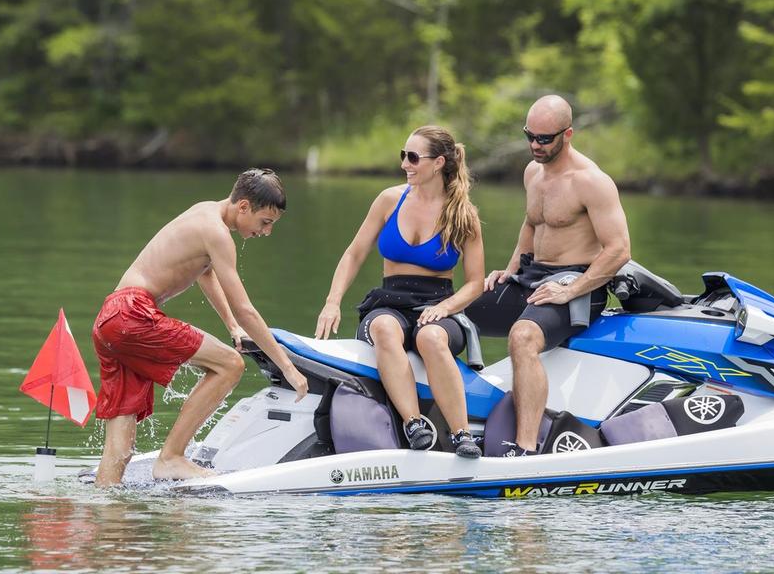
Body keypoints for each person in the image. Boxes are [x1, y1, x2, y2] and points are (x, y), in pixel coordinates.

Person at [91, 168, 308, 487]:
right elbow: (246, 309)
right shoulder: (218, 233)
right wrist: (287, 367)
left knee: (120, 450)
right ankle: (171, 458)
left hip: (111, 318)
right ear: (244, 206)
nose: (266, 232)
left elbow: (204, 273)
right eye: (265, 222)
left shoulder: (204, 211)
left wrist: (231, 326)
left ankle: (108, 514)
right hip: (133, 314)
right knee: (230, 365)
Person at [464, 95, 631, 456]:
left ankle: (526, 449)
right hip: (530, 278)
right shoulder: (532, 173)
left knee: (523, 337)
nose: (535, 146)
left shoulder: (591, 181)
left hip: (577, 286)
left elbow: (618, 250)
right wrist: (509, 272)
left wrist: (572, 291)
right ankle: (457, 422)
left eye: (544, 139)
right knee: (452, 309)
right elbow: (531, 225)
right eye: (530, 136)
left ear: (567, 134)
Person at [314, 125, 485, 458]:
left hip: (438, 305)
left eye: (413, 157)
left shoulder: (464, 214)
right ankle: (413, 423)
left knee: (431, 339)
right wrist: (331, 302)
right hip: (388, 303)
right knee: (383, 328)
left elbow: (476, 282)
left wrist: (447, 308)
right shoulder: (389, 200)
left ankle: (462, 434)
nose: (405, 164)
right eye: (403, 156)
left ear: (438, 163)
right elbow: (354, 254)